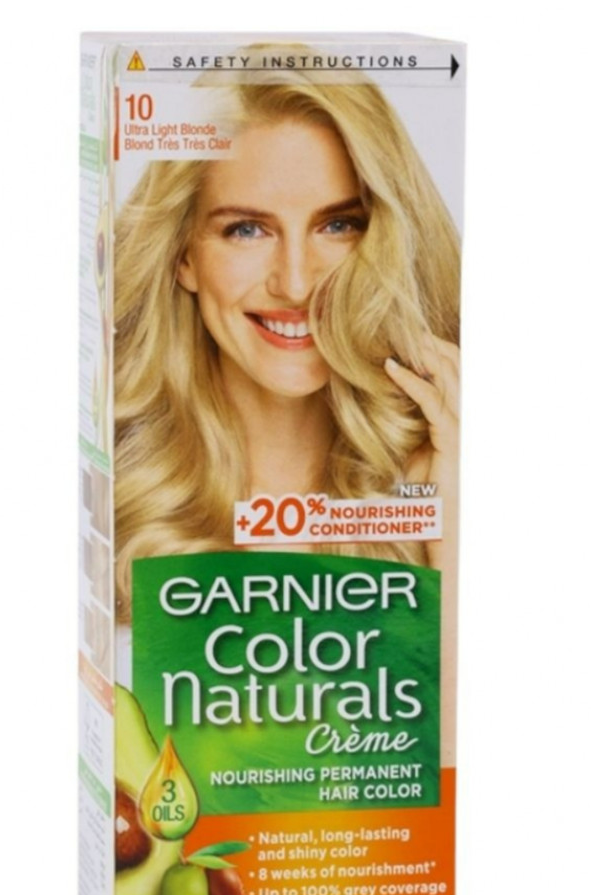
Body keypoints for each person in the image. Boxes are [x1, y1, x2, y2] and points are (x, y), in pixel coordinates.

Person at [113, 63, 461, 626]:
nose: (296, 284)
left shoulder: (440, 483)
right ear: (183, 256)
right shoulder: (115, 501)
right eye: (247, 230)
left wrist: (451, 527)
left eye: (338, 225)